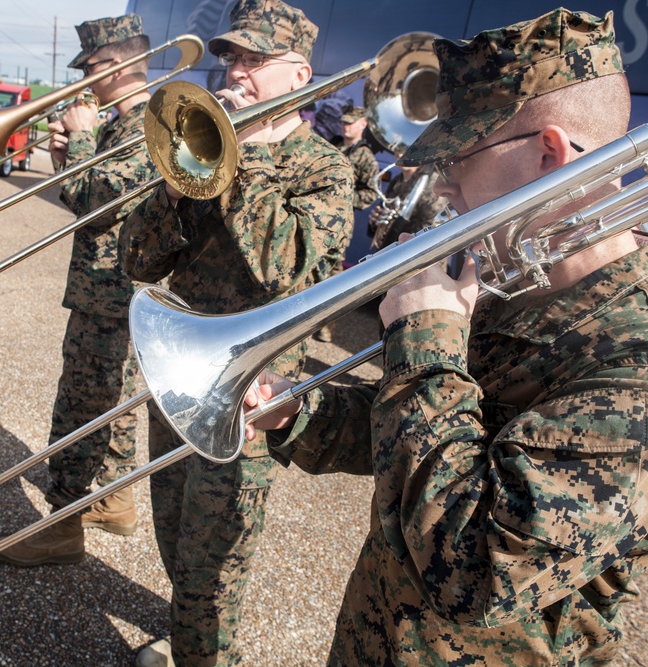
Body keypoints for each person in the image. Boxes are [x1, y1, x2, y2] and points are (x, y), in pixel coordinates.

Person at [245, 8, 648, 666]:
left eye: (459, 156)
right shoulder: (517, 277)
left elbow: (476, 569)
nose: (443, 182)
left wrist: (426, 340)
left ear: (549, 154)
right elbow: (436, 432)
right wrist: (300, 411)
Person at [118, 0, 354, 664]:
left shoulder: (325, 170)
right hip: (180, 370)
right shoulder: (204, 150)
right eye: (232, 58)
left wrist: (244, 155)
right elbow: (137, 261)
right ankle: (187, 642)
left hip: (251, 395)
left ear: (300, 75)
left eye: (255, 59)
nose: (237, 72)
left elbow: (283, 266)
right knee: (172, 527)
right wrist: (172, 192)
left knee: (214, 564)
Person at [0, 14, 158, 566]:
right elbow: (84, 197)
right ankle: (114, 500)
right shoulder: (124, 123)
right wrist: (69, 156)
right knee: (112, 402)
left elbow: (98, 205)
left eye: (89, 68)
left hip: (113, 293)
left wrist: (83, 135)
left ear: (115, 65)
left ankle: (62, 525)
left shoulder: (147, 126)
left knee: (81, 406)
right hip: (108, 290)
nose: (84, 80)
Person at [314, 105, 380, 343]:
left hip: (339, 223)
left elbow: (371, 192)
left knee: (332, 272)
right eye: (343, 121)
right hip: (316, 215)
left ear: (363, 124)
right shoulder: (332, 144)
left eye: (351, 122)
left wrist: (341, 197)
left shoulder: (365, 156)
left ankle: (326, 325)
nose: (345, 126)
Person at [368, 161, 446, 250]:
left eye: (404, 153)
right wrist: (376, 222)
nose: (400, 154)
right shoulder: (397, 180)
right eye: (397, 152)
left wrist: (401, 234)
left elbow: (435, 224)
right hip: (390, 247)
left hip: (414, 249)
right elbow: (384, 210)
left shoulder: (432, 182)